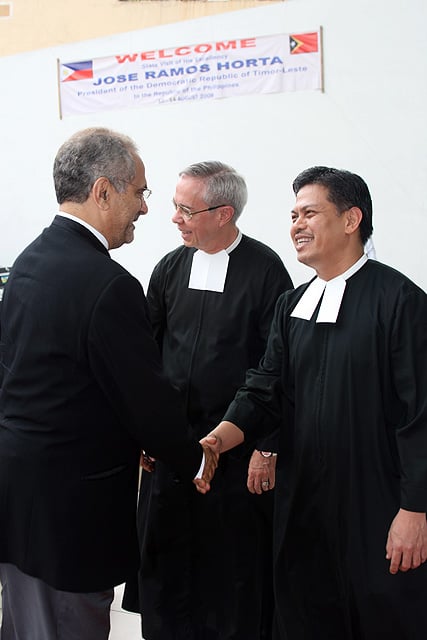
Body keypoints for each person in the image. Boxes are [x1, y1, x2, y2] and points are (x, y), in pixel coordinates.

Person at [0, 128, 217, 640]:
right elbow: (145, 400)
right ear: (102, 191)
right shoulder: (109, 284)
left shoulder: (30, 261)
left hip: (21, 500)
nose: (145, 207)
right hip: (70, 516)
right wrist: (195, 459)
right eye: (139, 192)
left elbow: (52, 379)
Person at [203, 166, 427, 640]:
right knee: (307, 615)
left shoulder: (401, 302)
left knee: (383, 617)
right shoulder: (292, 306)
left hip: (378, 505)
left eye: (309, 213)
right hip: (304, 504)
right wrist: (220, 439)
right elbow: (265, 389)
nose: (296, 225)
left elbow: (419, 415)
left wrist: (415, 510)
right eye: (292, 215)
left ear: (351, 220)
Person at [123, 161, 293, 639]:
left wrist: (268, 446)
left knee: (230, 574)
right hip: (175, 452)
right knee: (167, 570)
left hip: (236, 455)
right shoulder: (170, 268)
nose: (173, 217)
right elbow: (149, 357)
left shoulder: (266, 272)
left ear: (224, 213)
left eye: (185, 209)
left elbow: (277, 370)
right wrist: (145, 431)